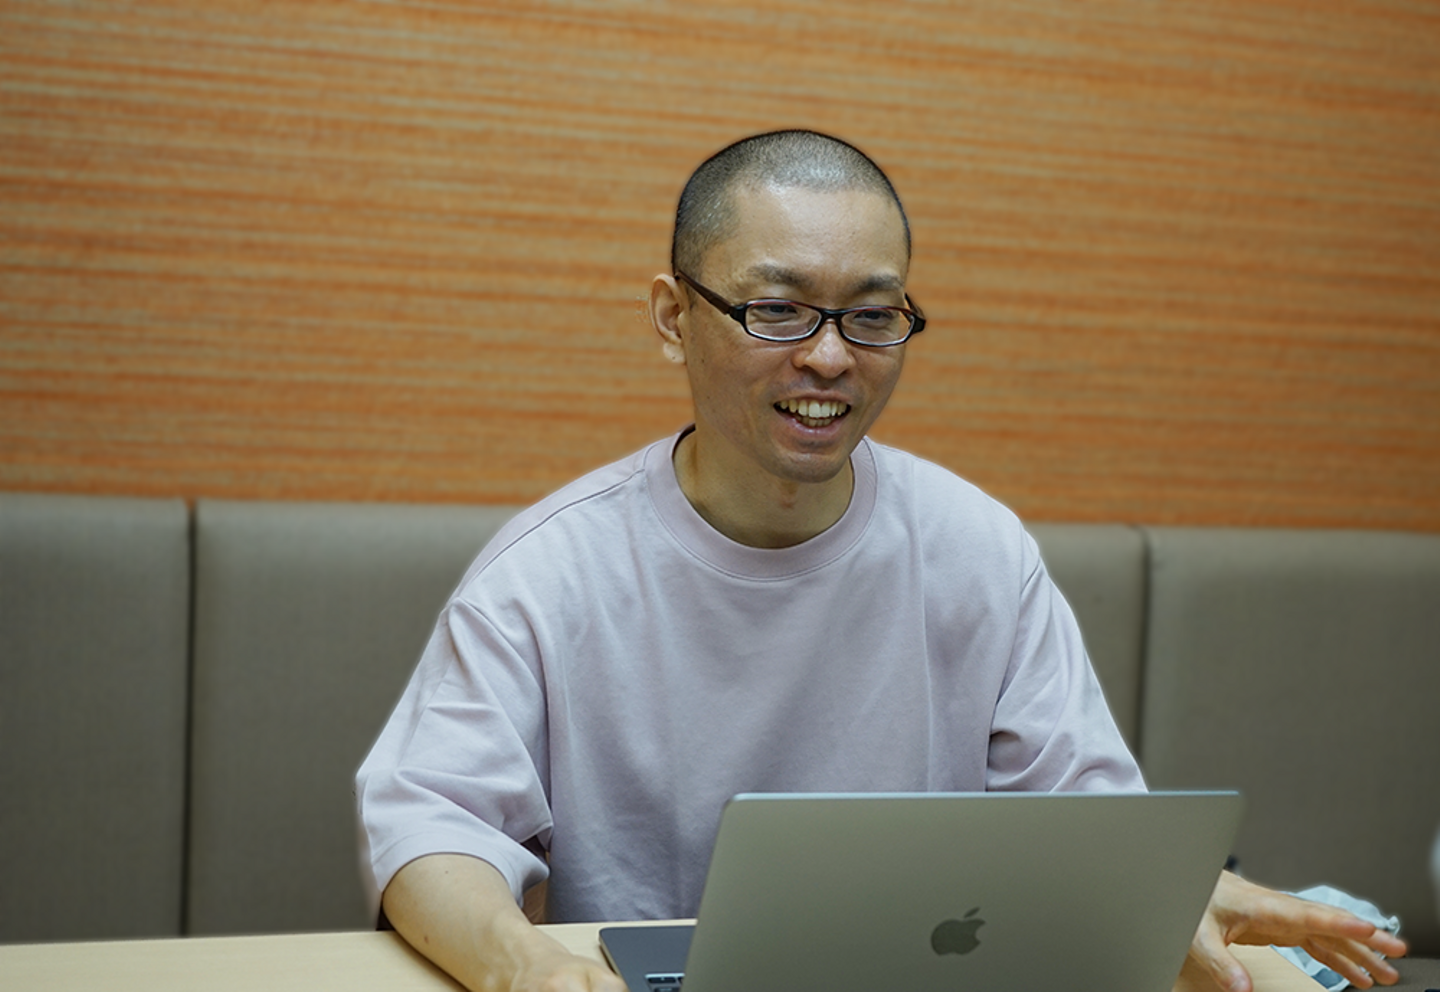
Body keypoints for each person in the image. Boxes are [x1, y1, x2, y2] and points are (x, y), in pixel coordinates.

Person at [356, 130, 1406, 992]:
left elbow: (1088, 822)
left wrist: (1170, 894)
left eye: (871, 316)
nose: (829, 356)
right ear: (675, 319)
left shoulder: (976, 549)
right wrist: (522, 965)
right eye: (777, 309)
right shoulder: (548, 572)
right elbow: (430, 827)